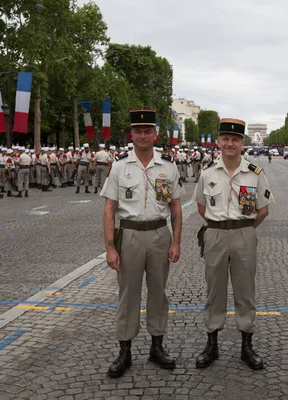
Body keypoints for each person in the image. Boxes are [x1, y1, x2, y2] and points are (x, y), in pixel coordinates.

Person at [101, 109, 184, 378]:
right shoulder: (119, 166)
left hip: (160, 234)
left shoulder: (168, 166)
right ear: (131, 134)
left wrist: (176, 242)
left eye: (148, 131)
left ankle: (157, 347)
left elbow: (176, 208)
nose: (143, 135)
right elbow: (109, 209)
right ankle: (124, 351)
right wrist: (110, 247)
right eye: (138, 131)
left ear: (155, 134)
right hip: (131, 235)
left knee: (159, 292)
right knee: (128, 294)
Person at [194, 118, 274, 370]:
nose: (230, 143)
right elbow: (200, 206)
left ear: (243, 143)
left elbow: (262, 210)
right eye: (225, 139)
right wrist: (219, 227)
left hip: (243, 234)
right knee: (214, 292)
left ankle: (247, 345)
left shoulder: (255, 173)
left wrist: (244, 230)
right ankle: (212, 343)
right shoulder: (207, 173)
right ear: (219, 142)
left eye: (235, 140)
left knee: (245, 292)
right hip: (215, 233)